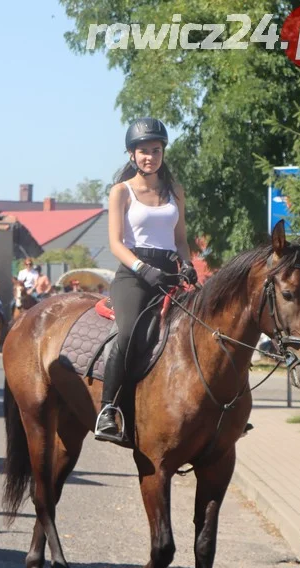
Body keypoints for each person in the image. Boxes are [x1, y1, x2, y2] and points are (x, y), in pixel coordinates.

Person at [94, 117, 197, 444]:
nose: (150, 156)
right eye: (143, 151)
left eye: (155, 150)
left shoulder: (175, 191)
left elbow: (179, 238)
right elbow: (115, 243)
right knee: (127, 334)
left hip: (170, 272)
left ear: (163, 152)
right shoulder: (120, 192)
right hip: (133, 276)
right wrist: (143, 268)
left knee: (202, 327)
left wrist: (188, 263)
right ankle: (109, 409)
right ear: (131, 155)